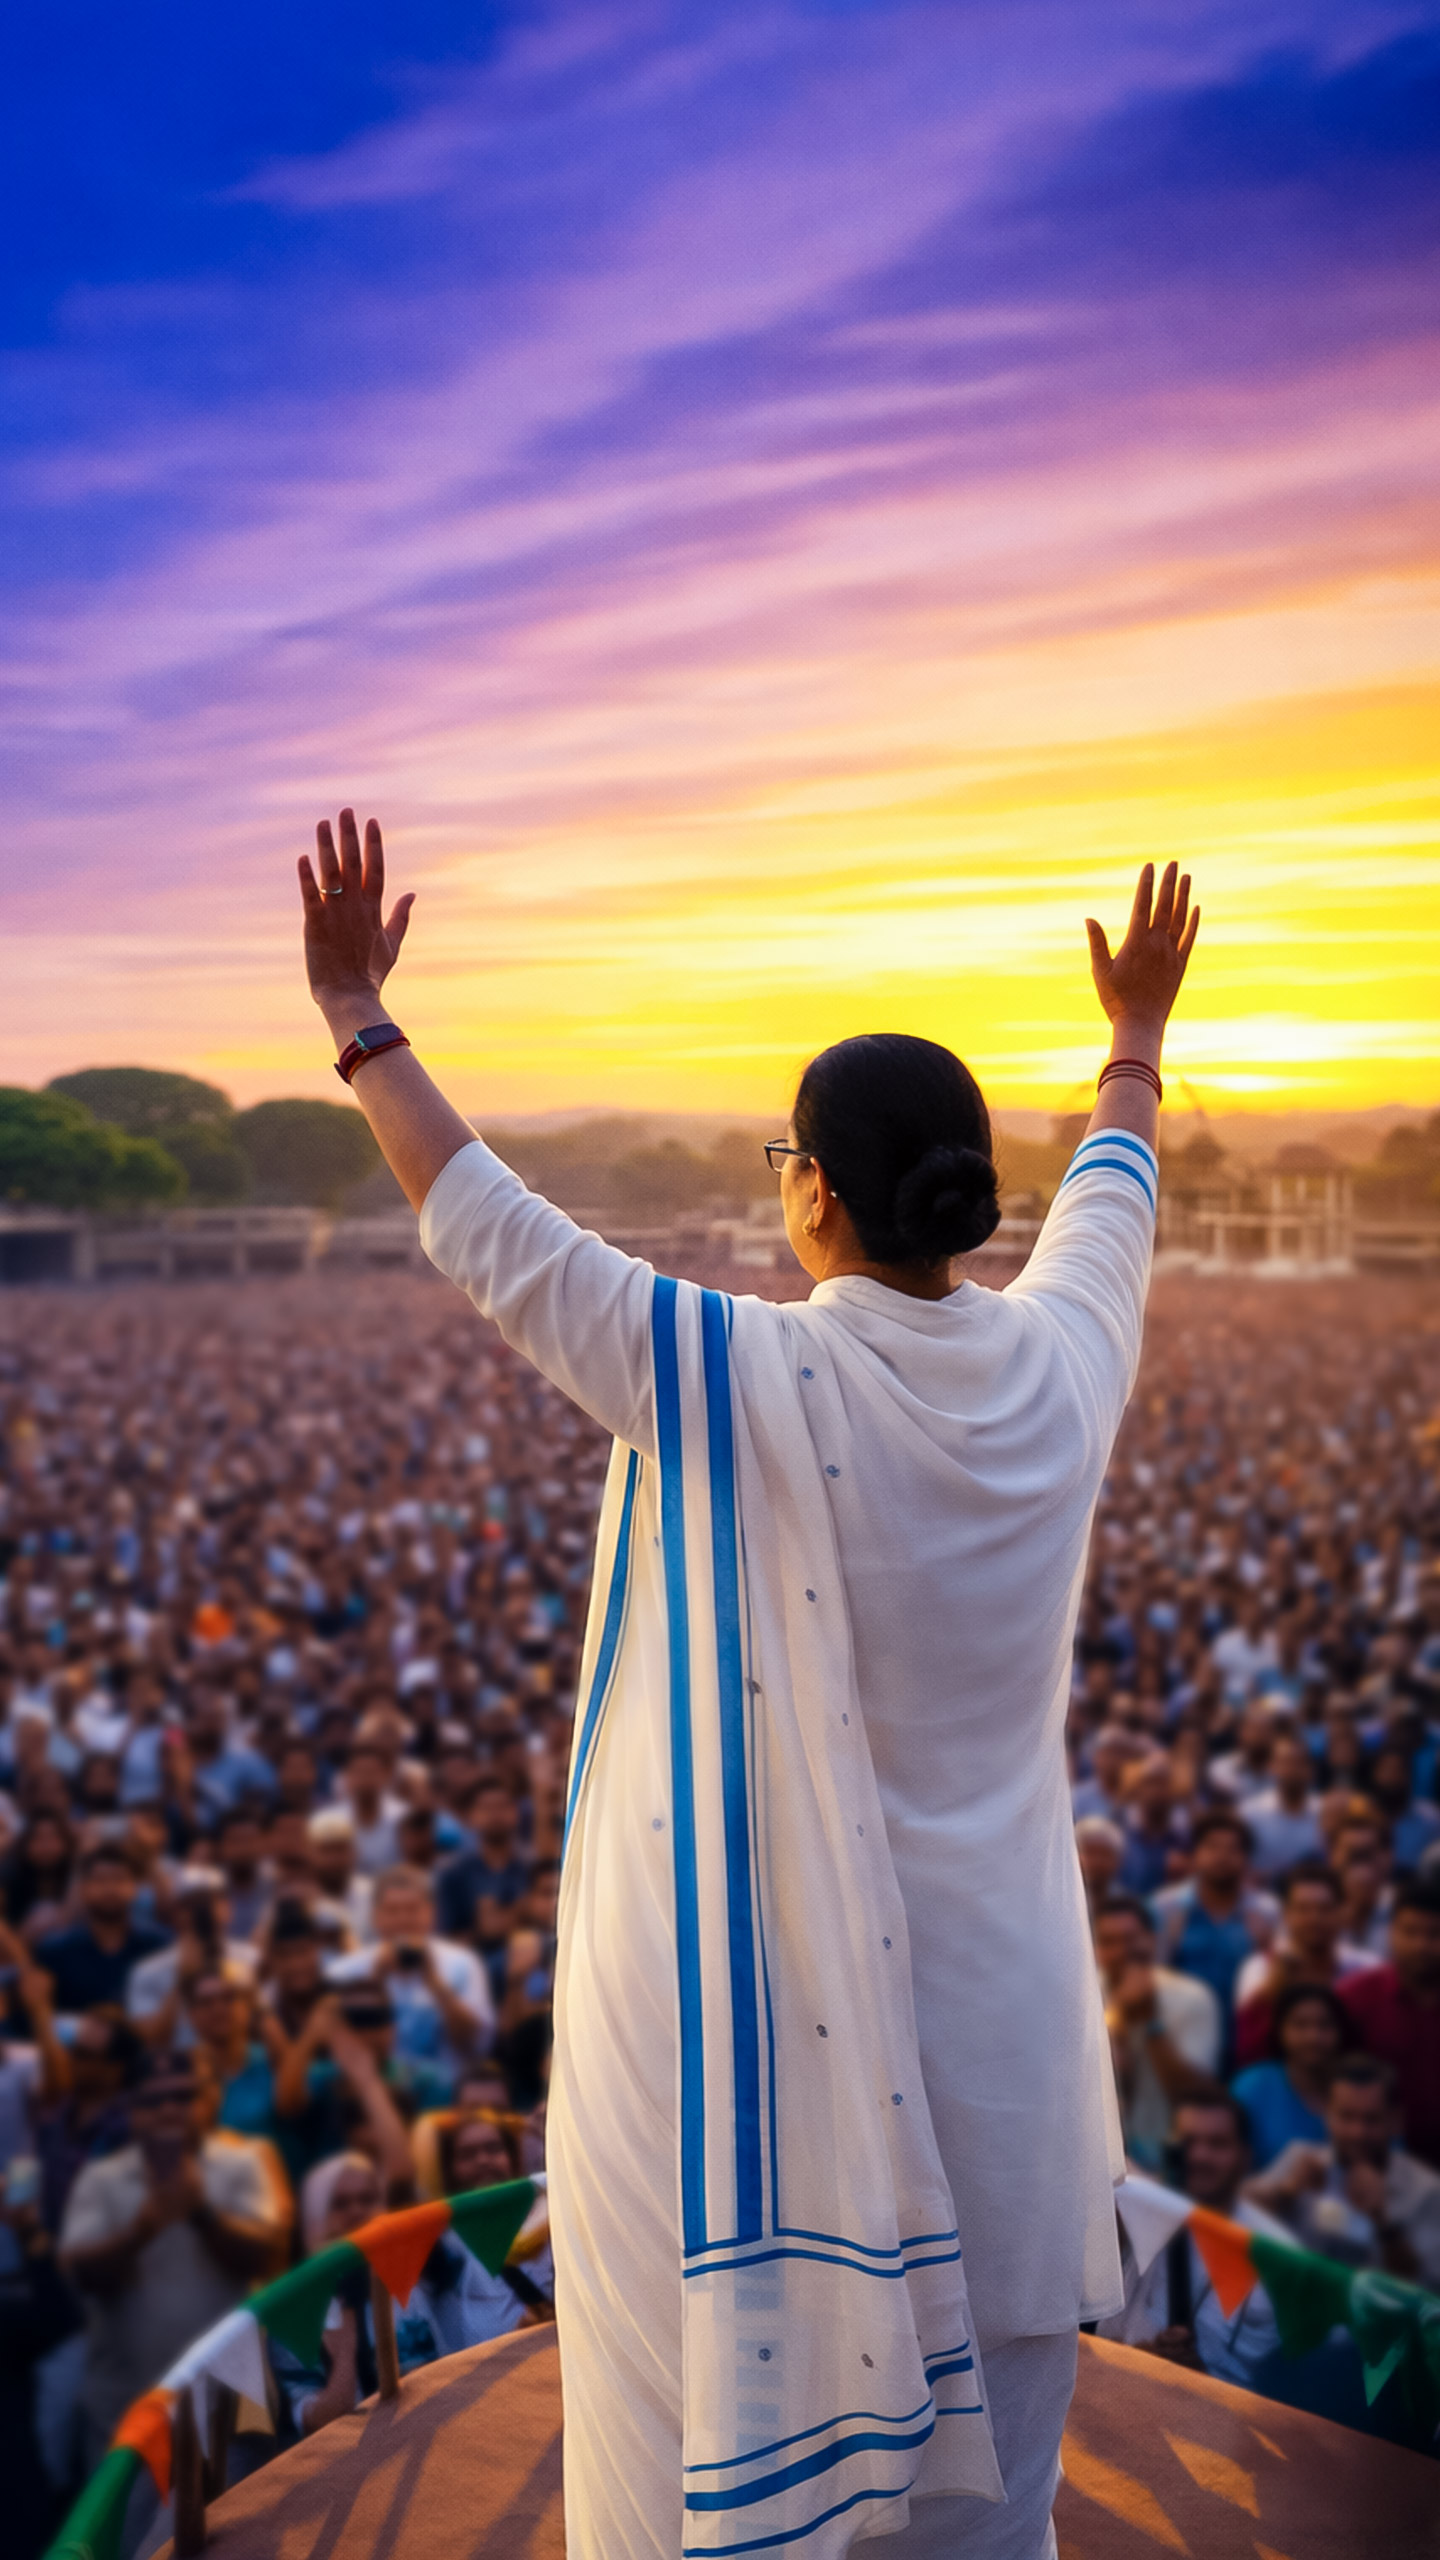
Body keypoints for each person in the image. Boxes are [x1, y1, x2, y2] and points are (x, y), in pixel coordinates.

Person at [298, 809, 1200, 2557]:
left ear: (811, 1190)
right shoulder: (1065, 1368)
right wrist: (1137, 1043)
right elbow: (1115, 1202)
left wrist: (359, 1012)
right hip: (1010, 2056)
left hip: (775, 2094)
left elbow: (497, 1237)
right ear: (967, 1197)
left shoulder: (744, 1380)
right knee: (988, 2523)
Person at [59, 2049, 285, 2458]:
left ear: (206, 2102)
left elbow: (269, 2257)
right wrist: (141, 2231)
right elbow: (81, 2276)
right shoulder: (100, 2178)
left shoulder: (245, 2163)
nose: (168, 2110)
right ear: (131, 2110)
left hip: (229, 2409)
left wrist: (201, 2214)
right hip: (127, 2416)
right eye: (152, 2100)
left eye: (182, 2096)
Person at [1097, 2093, 1295, 2391]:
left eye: (1217, 2144)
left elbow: (1267, 2386)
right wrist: (1143, 2361)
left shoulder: (1275, 2254)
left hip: (1213, 2422)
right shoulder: (1137, 2203)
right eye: (1188, 2142)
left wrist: (1196, 2374)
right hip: (1107, 2388)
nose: (1200, 2156)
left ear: (1245, 2156)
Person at [1246, 2055, 1440, 2290]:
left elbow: (1425, 2290)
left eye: (1371, 2119)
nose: (1358, 2132)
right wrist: (1285, 2193)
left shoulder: (1426, 2189)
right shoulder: (1300, 2159)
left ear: (1395, 2120)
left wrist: (1384, 2223)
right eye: (1346, 2116)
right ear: (1327, 2114)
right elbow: (1237, 2218)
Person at [325, 1864, 493, 2097]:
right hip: (368, 2094)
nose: (403, 1920)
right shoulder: (345, 1971)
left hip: (446, 2092)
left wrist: (434, 1982)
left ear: (431, 1913)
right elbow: (334, 2046)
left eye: (413, 1909)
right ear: (375, 1916)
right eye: (392, 1911)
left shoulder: (463, 1964)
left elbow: (476, 2044)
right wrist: (375, 1979)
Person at [1092, 1896, 1221, 2170]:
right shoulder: (1082, 1998)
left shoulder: (1192, 1997)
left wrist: (1149, 2021)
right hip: (1099, 2154)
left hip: (1176, 2157)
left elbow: (1195, 2096)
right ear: (1095, 1948)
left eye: (1129, 1940)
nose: (1119, 1952)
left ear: (1151, 1941)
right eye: (1108, 1942)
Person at [1151, 1809, 1275, 2053]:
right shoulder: (1166, 1908)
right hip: (1182, 2034)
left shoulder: (1266, 1912)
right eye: (1212, 1847)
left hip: (1243, 2038)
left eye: (1233, 1849)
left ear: (1246, 1858)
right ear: (1195, 1854)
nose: (1222, 1856)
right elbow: (1156, 1975)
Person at [1338, 1875, 1440, 2169]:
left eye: (1434, 1934)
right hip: (1374, 2161)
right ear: (1391, 1932)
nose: (1422, 1945)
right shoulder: (1355, 1998)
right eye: (1410, 1932)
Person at [1233, 1861, 1369, 2067]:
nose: (1314, 1919)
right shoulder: (1259, 1968)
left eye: (1325, 1909)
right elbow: (1249, 2049)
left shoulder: (1365, 1968)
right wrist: (1273, 1987)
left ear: (1342, 1912)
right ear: (1286, 1915)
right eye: (1303, 1909)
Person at [32, 1843, 171, 2019]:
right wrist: (74, 2030)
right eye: (100, 1880)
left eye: (118, 1879)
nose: (110, 1889)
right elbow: (33, 2017)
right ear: (83, 1889)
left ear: (135, 1888)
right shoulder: (54, 1951)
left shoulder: (160, 1947)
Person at [1231, 1984, 1349, 2169]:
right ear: (1280, 2031)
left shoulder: (1360, 2089)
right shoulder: (1253, 2088)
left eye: (1324, 2025)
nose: (1313, 2037)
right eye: (1300, 2025)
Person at [1241, 1731, 1326, 1881]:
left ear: (1311, 1770)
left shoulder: (1325, 1812)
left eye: (1299, 1762)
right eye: (1285, 1762)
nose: (1292, 1769)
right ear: (1271, 1767)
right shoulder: (1250, 1812)